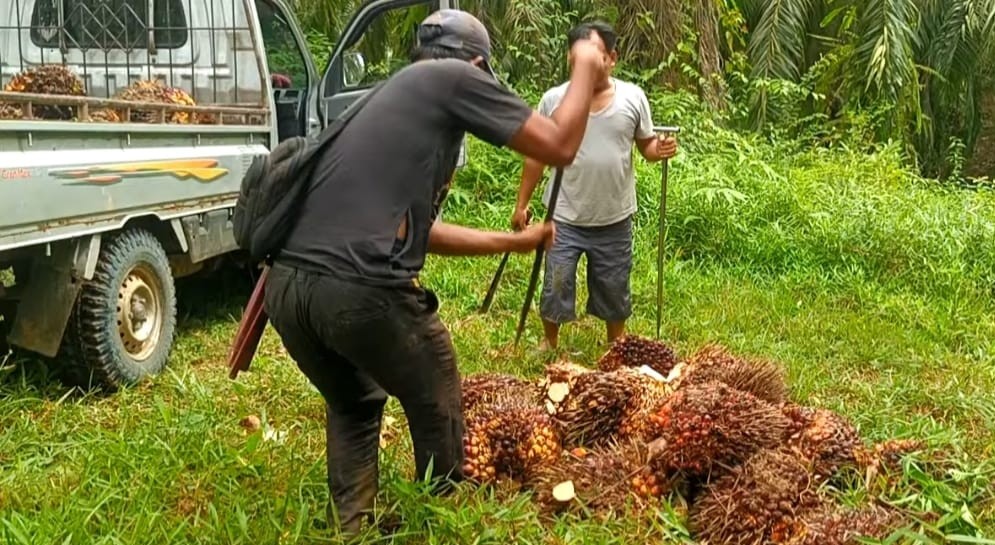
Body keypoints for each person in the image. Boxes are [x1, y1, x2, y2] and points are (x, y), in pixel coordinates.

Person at [260, 9, 607, 536]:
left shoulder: (389, 100)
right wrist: (585, 63)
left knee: (355, 400)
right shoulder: (454, 77)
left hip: (287, 292)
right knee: (437, 384)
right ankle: (439, 518)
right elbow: (559, 145)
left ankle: (352, 526)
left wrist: (515, 241)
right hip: (356, 288)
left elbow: (423, 234)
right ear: (475, 64)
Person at [511, 20, 679, 351]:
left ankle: (615, 343)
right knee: (556, 282)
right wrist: (522, 204)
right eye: (576, 59)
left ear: (611, 58)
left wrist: (658, 150)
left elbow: (644, 146)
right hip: (564, 215)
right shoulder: (554, 100)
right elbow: (536, 156)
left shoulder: (633, 98)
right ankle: (549, 340)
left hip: (613, 216)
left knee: (614, 285)